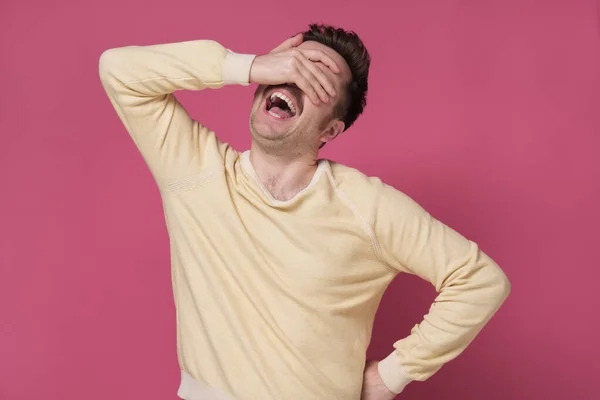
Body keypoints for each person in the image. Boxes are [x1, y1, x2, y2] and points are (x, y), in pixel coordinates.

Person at [99, 24, 510, 400]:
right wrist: (250, 65)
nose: (294, 78)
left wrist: (393, 374)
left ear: (331, 130)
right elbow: (118, 69)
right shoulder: (195, 171)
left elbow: (479, 280)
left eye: (316, 80)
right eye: (290, 67)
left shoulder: (367, 206)